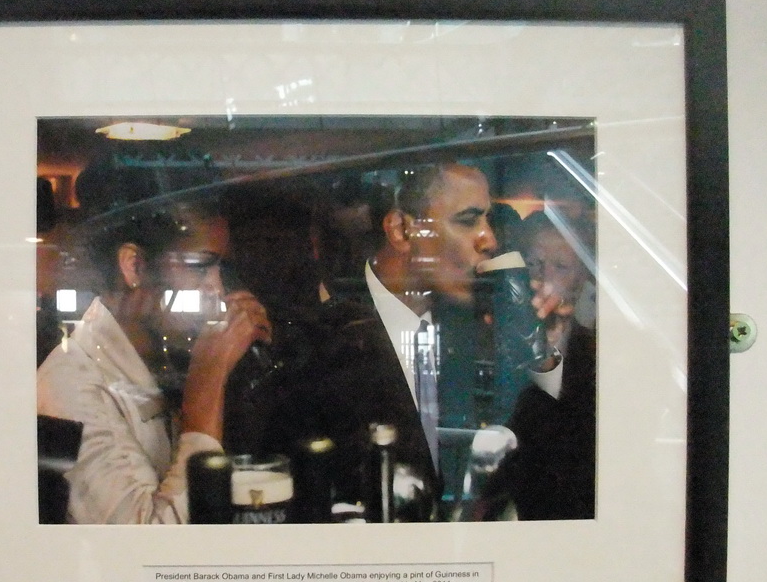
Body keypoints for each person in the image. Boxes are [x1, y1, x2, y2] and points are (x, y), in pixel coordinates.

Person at [295, 163, 566, 520]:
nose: (489, 240)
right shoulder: (317, 343)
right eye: (468, 220)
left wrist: (545, 354)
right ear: (403, 230)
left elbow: (548, 475)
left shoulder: (488, 323)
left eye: (487, 220)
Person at [36, 178, 271, 524]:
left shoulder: (169, 356)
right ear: (135, 267)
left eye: (221, 269)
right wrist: (207, 386)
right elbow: (146, 551)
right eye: (199, 267)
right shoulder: (68, 388)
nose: (218, 289)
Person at [472, 209, 597, 520]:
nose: (542, 276)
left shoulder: (596, 353)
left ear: (582, 279)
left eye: (560, 267)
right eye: (533, 263)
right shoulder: (493, 330)